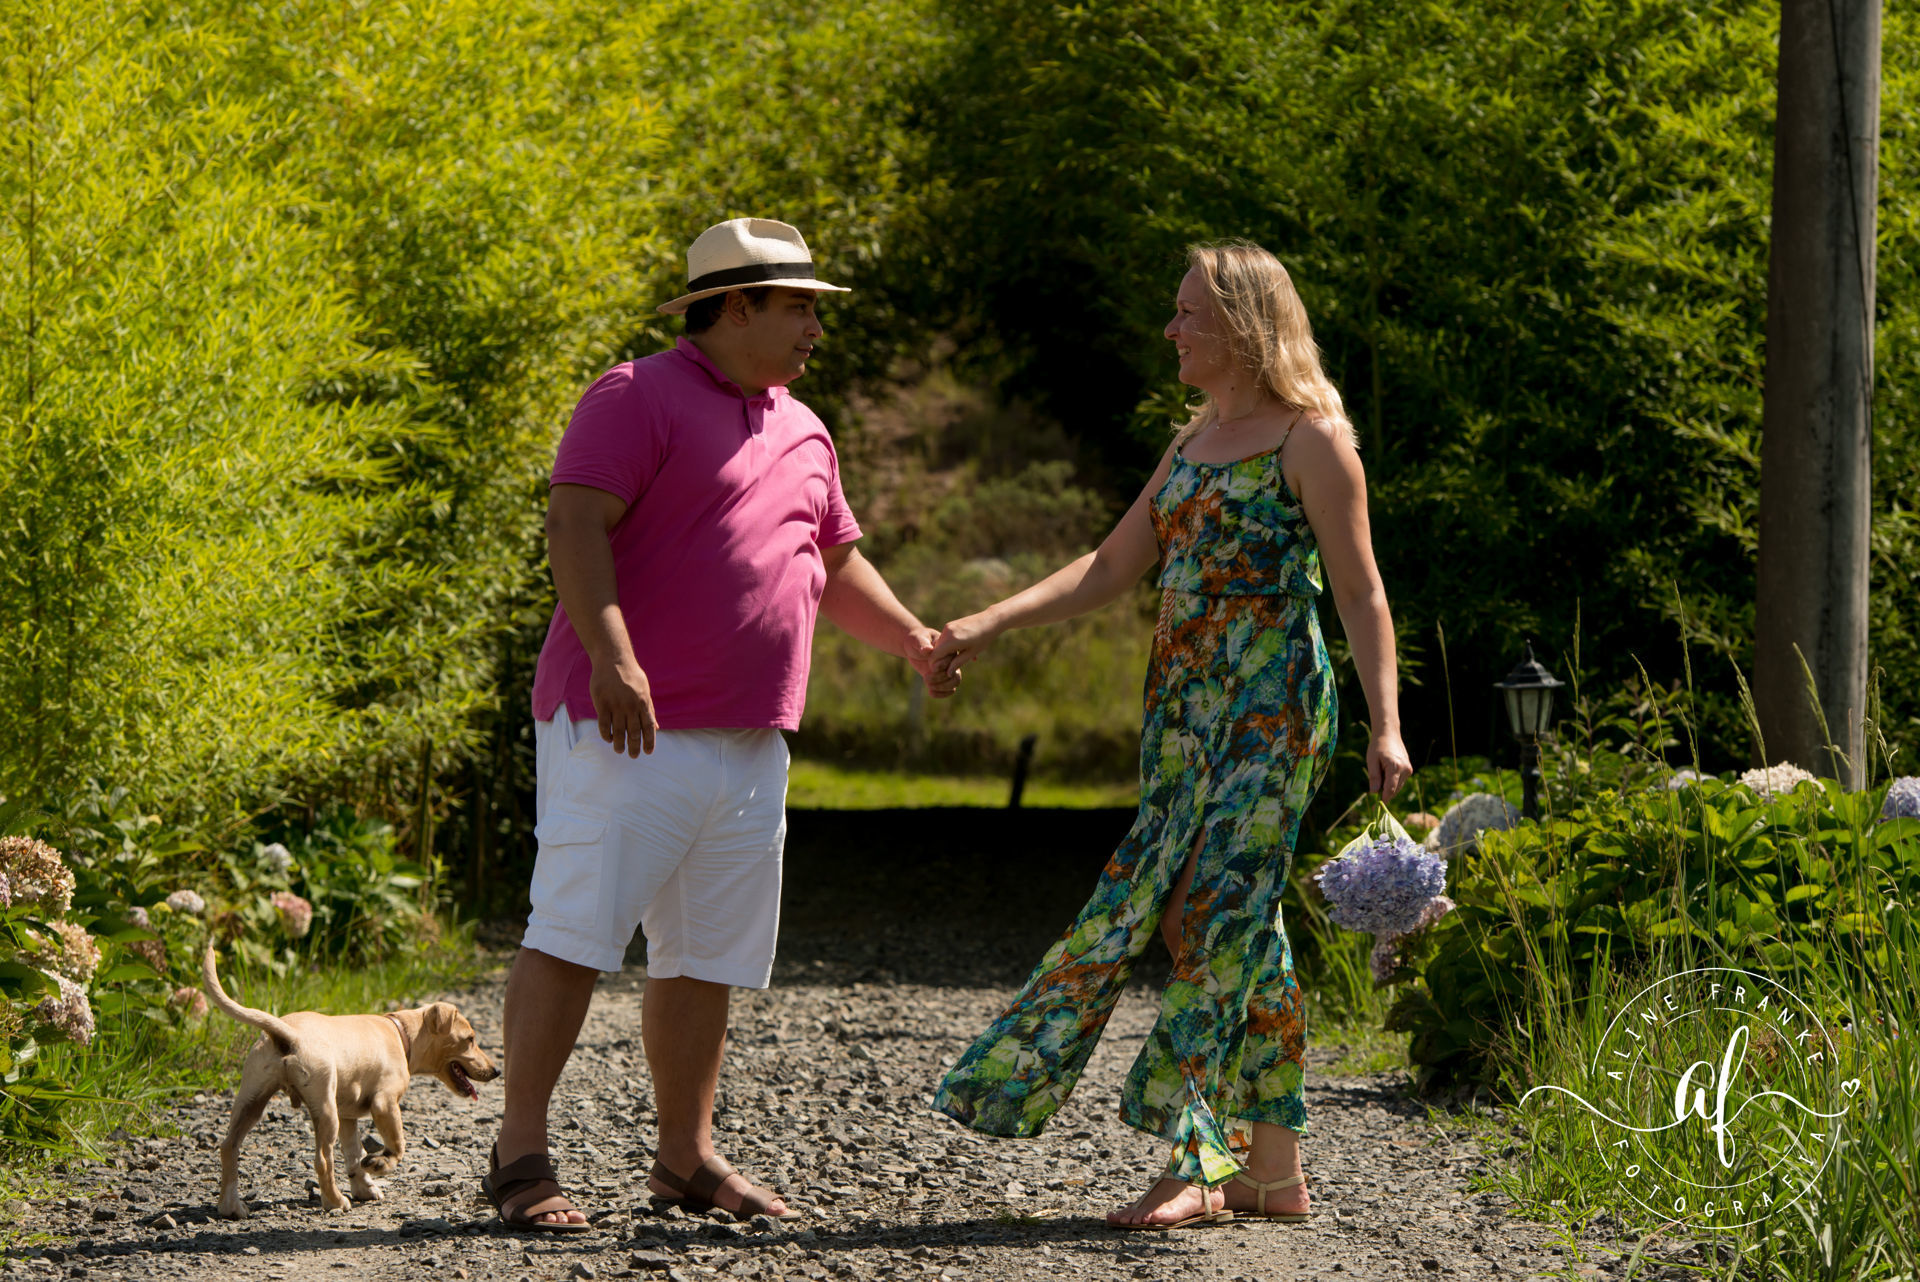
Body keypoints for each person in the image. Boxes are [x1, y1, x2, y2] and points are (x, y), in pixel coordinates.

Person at [484, 218, 959, 1231]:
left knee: (706, 954)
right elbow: (573, 524)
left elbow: (832, 561)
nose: (814, 330)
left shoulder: (806, 426)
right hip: (622, 724)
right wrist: (615, 657)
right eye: (798, 309)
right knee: (573, 934)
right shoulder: (633, 395)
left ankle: (686, 1158)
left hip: (751, 738)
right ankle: (519, 1152)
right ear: (735, 306)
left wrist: (913, 638)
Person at [928, 241, 1411, 1229]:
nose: (1171, 328)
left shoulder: (1312, 440)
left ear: (1242, 326)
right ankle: (1272, 1171)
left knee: (1205, 913)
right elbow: (1110, 566)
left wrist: (1387, 724)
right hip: (1182, 711)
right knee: (1237, 921)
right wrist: (985, 622)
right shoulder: (1194, 441)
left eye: (1189, 313)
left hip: (1273, 706)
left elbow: (1360, 592)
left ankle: (1199, 1160)